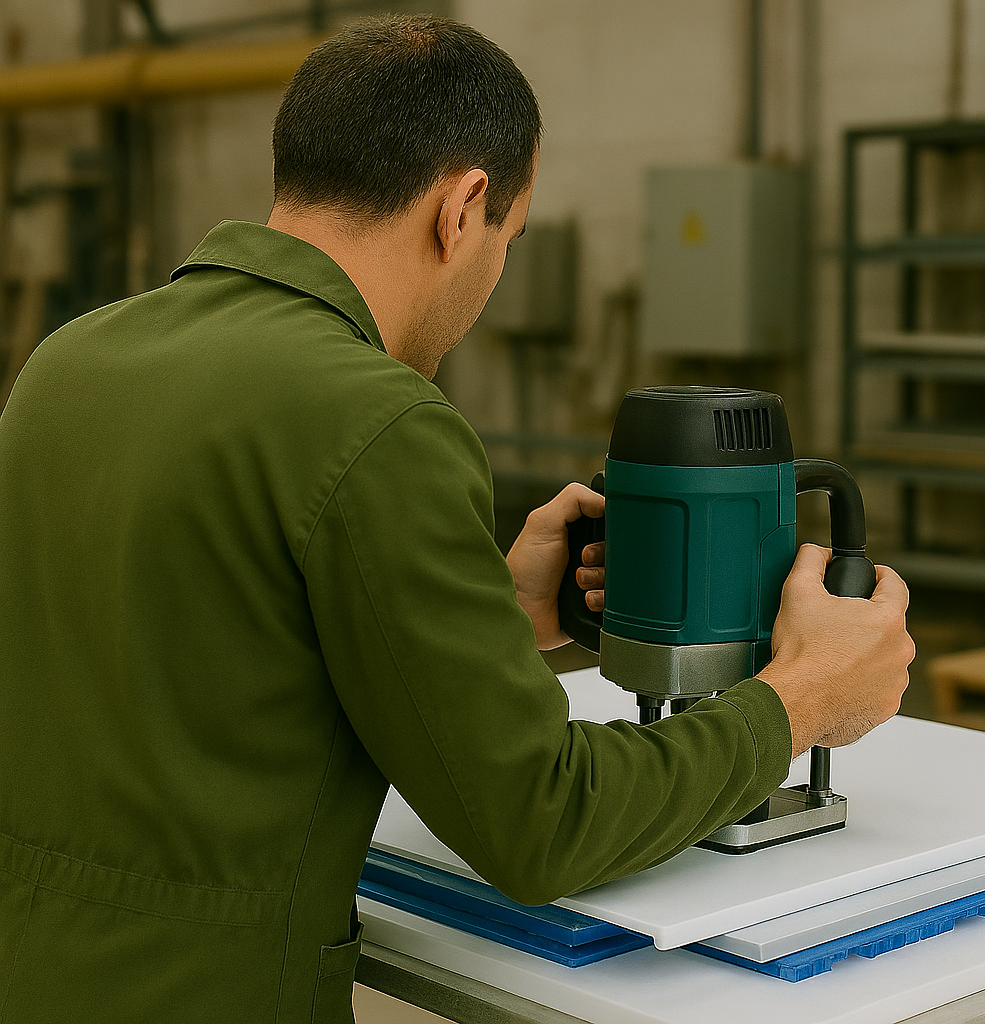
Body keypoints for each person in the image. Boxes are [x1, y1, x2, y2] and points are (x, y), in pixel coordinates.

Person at [0, 15, 914, 1024]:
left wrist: (502, 614)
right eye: (508, 244)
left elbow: (192, 657)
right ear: (464, 206)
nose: (492, 278)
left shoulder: (66, 364)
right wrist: (797, 700)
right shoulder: (375, 414)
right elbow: (540, 825)